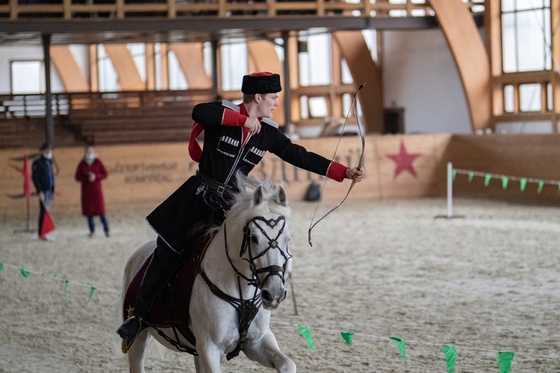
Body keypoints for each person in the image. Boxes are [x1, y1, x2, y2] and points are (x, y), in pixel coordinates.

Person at [116, 71, 365, 341]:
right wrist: (242, 120)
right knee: (167, 252)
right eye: (273, 98)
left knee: (253, 251)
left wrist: (344, 172)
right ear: (257, 97)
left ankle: (246, 321)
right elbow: (199, 112)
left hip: (231, 205)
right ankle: (139, 317)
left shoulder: (268, 132)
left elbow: (298, 155)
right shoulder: (222, 113)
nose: (276, 103)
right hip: (197, 197)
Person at [75, 145, 110, 237]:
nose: (90, 153)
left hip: (96, 189)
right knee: (89, 212)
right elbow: (77, 177)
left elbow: (105, 174)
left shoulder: (98, 162)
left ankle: (106, 230)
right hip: (86, 190)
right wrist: (86, 177)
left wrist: (96, 176)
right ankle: (92, 230)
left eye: (91, 151)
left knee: (101, 211)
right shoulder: (82, 163)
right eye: (88, 151)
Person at [32, 143, 55, 240]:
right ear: (42, 151)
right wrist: (39, 191)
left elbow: (51, 177)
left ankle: (45, 231)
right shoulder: (37, 163)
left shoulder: (49, 162)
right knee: (43, 211)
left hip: (49, 189)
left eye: (50, 150)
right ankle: (41, 233)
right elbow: (36, 178)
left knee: (47, 211)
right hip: (43, 189)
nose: (49, 152)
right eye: (47, 150)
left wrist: (53, 190)